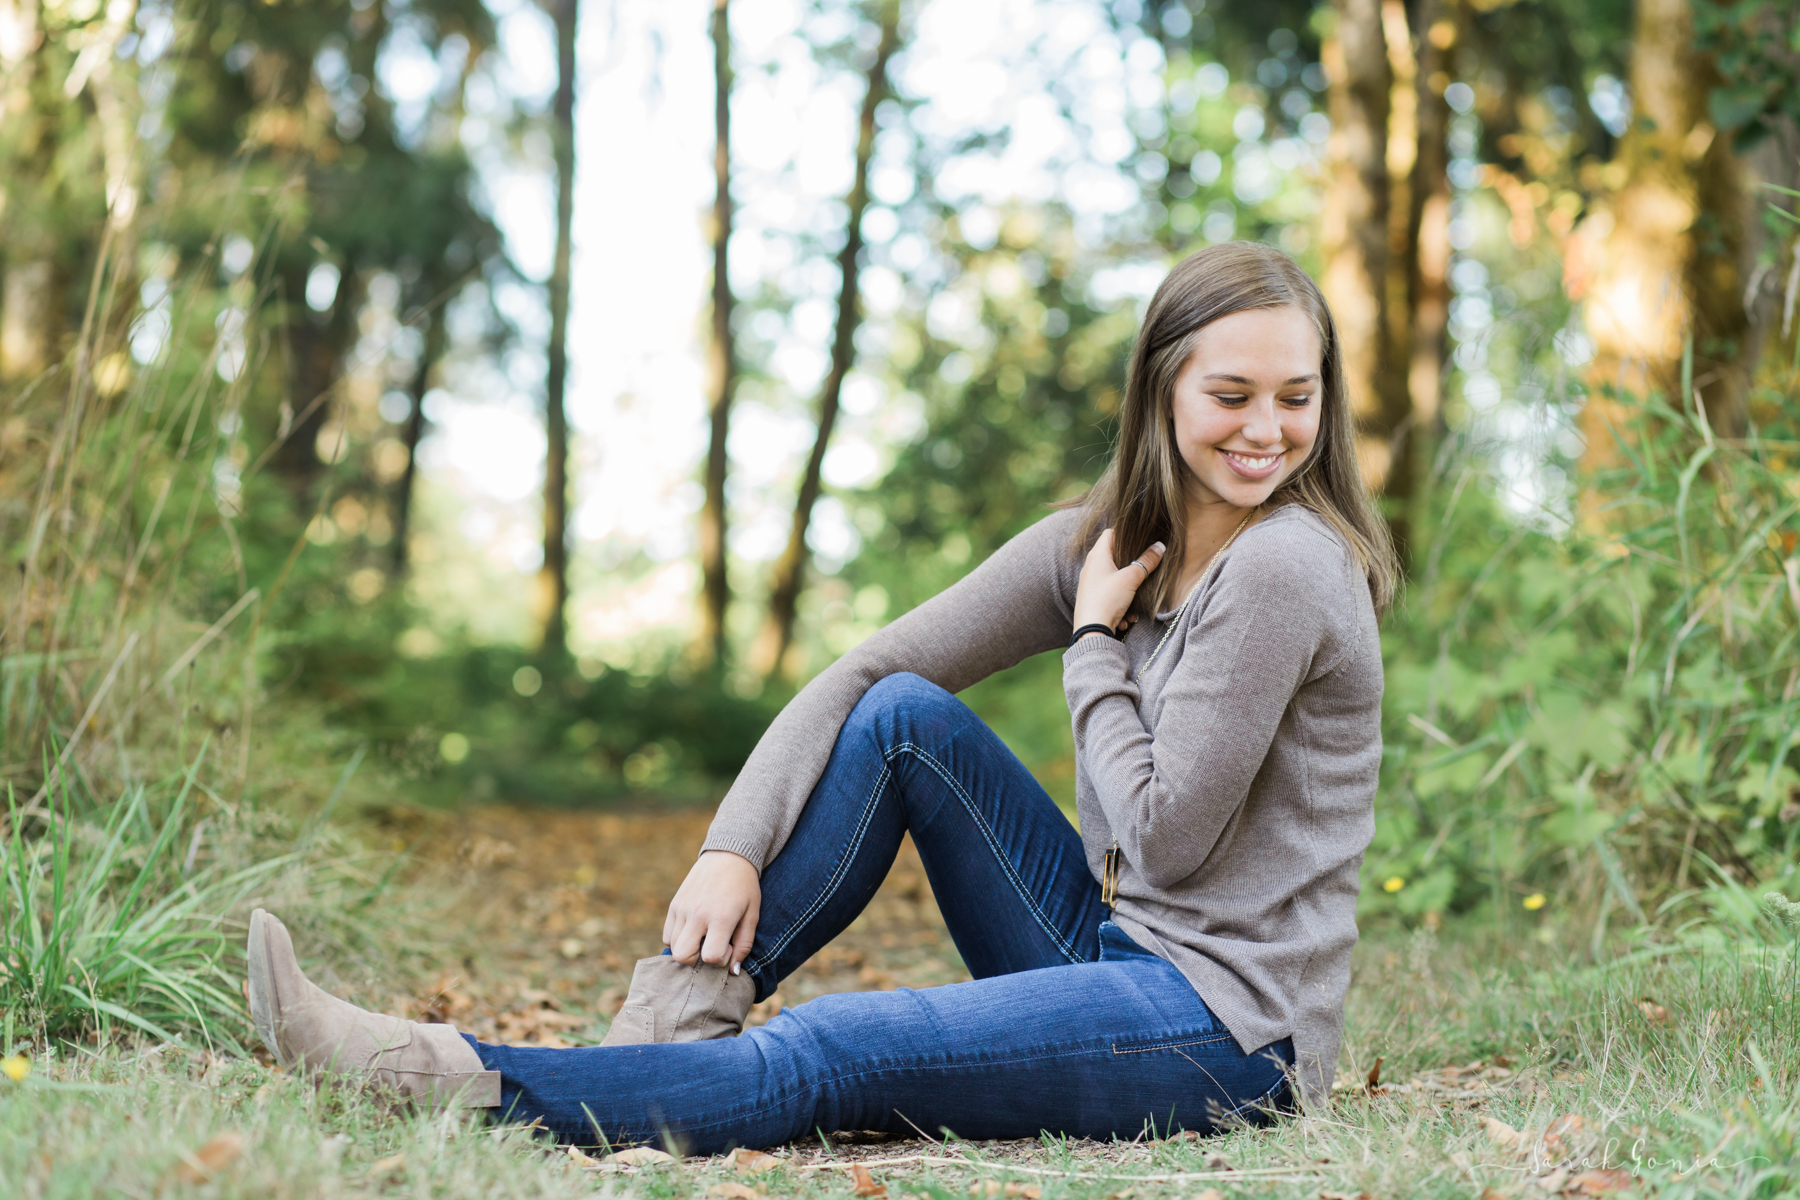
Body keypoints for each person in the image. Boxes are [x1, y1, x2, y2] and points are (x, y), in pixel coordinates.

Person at [245, 240, 1396, 1153]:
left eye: (1296, 398)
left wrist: (1095, 643)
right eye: (1232, 393)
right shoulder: (1099, 542)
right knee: (903, 719)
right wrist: (730, 848)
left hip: (1229, 1032)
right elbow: (863, 672)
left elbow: (1167, 839)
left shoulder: (1287, 567)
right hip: (1115, 952)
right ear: (1162, 389)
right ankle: (659, 1037)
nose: (1267, 430)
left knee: (837, 1048)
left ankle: (447, 1078)